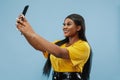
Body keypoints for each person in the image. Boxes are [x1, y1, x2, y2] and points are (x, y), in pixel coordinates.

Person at [16, 13, 92, 80]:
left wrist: (32, 33)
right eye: (64, 24)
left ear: (78, 28)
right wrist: (25, 32)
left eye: (68, 24)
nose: (64, 27)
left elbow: (59, 53)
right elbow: (38, 46)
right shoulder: (58, 44)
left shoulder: (83, 46)